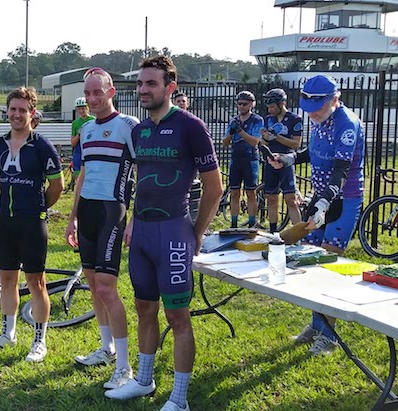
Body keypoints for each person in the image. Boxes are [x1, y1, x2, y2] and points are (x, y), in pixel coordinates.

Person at [104, 56, 222, 411]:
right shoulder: (139, 131)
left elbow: (214, 188)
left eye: (151, 84)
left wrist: (195, 232)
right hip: (142, 234)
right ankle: (143, 380)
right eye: (140, 83)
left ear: (170, 87)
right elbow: (142, 181)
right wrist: (133, 221)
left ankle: (179, 398)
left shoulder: (191, 127)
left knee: (177, 316)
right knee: (144, 308)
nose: (143, 90)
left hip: (173, 231)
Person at [65, 67, 139, 391]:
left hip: (112, 211)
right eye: (88, 93)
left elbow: (144, 171)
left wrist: (134, 218)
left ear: (111, 92)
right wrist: (72, 216)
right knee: (94, 286)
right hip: (88, 212)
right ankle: (107, 348)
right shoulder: (86, 129)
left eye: (98, 92)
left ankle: (124, 366)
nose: (92, 99)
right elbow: (83, 174)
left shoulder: (128, 126)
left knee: (108, 288)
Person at [0, 86, 63, 362]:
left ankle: (39, 341)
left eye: (22, 110)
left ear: (32, 113)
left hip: (32, 223)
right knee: (7, 279)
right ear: (7, 111)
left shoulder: (42, 146)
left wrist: (38, 207)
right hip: (5, 220)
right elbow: (0, 180)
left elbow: (57, 186)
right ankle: (8, 333)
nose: (17, 114)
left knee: (36, 281)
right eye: (13, 109)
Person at [290, 75, 365, 356]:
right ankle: (317, 325)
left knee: (329, 267)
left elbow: (341, 169)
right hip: (320, 197)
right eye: (308, 108)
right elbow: (316, 151)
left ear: (335, 99)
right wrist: (290, 158)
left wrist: (324, 202)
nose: (312, 114)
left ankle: (330, 337)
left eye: (317, 108)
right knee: (311, 262)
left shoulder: (347, 123)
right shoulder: (319, 117)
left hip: (343, 199)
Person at [259, 88, 303, 232]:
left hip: (286, 161)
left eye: (272, 106)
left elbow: (296, 144)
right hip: (271, 162)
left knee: (291, 200)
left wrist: (276, 137)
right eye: (268, 107)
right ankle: (273, 232)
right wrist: (265, 138)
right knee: (271, 199)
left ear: (282, 104)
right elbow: (263, 143)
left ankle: (299, 234)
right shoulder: (268, 119)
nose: (270, 110)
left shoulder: (295, 119)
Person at [221, 91, 263, 228]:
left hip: (250, 159)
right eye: (239, 104)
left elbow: (254, 142)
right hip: (236, 159)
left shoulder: (257, 120)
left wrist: (240, 131)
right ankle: (234, 223)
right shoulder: (234, 121)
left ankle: (251, 222)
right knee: (234, 193)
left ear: (251, 104)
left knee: (251, 192)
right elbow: (225, 142)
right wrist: (231, 133)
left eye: (244, 104)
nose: (241, 107)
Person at [70, 97, 95, 180]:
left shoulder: (93, 120)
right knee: (78, 177)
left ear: (87, 108)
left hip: (90, 150)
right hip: (78, 151)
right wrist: (79, 134)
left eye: (83, 108)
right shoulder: (75, 123)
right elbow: (72, 143)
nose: (81, 111)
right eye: (79, 109)